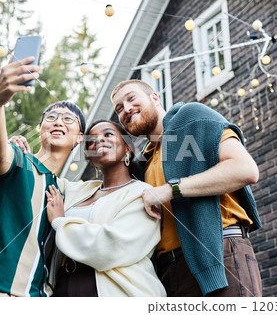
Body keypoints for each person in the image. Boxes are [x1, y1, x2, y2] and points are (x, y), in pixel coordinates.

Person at [110, 79, 263, 297]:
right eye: (118, 108)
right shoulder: (144, 160)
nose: (126, 109)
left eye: (131, 98)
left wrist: (172, 189)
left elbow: (245, 169)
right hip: (170, 274)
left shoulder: (191, 117)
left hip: (221, 255)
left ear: (155, 98)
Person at [0, 55, 85, 297]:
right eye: (51, 117)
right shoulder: (18, 160)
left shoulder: (68, 191)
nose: (58, 122)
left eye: (68, 119)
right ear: (41, 129)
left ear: (80, 138)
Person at [44, 120, 166, 297]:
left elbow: (112, 246)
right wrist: (19, 149)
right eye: (91, 141)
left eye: (108, 134)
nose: (98, 141)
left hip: (119, 291)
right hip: (64, 286)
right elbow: (41, 177)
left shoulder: (141, 193)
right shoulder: (75, 190)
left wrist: (59, 221)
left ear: (127, 148)